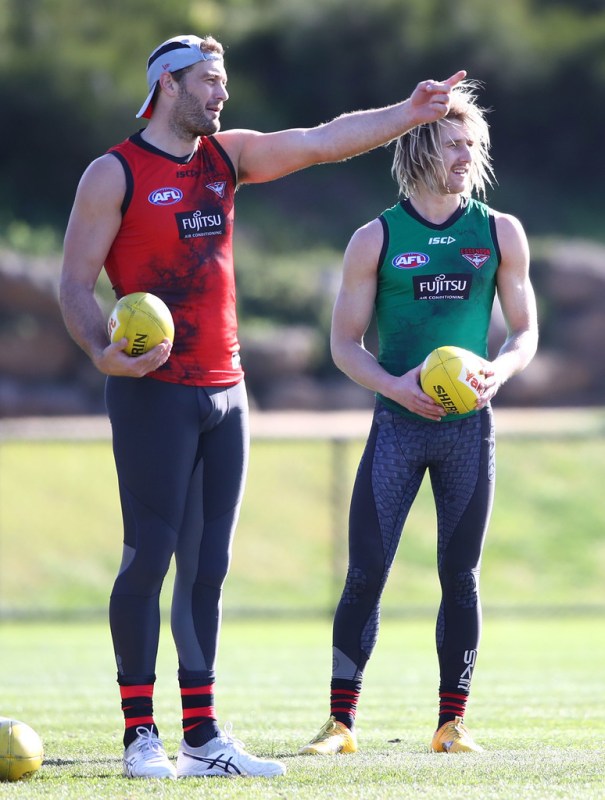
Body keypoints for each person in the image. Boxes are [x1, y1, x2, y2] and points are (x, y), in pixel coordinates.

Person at [59, 33, 466, 780]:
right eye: (208, 81)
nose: (221, 94)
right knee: (148, 558)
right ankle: (139, 735)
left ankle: (203, 734)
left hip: (226, 391)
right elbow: (73, 284)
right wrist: (99, 350)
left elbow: (320, 142)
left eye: (223, 81)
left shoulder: (227, 158)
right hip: (152, 393)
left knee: (208, 567)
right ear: (167, 86)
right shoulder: (113, 173)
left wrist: (407, 115)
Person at [299, 80, 538, 757]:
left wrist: (500, 369)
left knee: (459, 575)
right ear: (419, 146)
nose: (464, 155)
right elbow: (344, 346)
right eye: (451, 143)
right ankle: (340, 725)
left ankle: (450, 724)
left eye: (472, 144)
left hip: (468, 429)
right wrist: (395, 387)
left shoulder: (498, 232)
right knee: (365, 573)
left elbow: (524, 332)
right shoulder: (374, 237)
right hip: (396, 426)